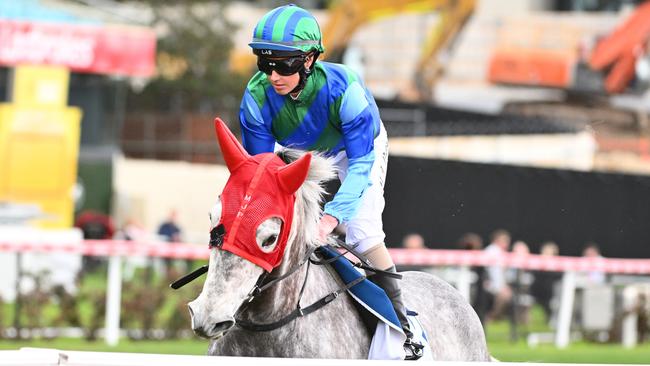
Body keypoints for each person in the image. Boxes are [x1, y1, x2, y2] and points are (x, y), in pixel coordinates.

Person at [239, 4, 421, 359]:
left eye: (284, 63)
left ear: (309, 61)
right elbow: (262, 172)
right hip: (295, 151)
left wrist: (332, 217)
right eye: (265, 63)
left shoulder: (346, 89)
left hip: (354, 151)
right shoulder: (255, 99)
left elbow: (360, 164)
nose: (273, 75)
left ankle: (404, 326)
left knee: (362, 231)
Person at [483, 229, 513, 322]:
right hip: (489, 284)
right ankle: (491, 316)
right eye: (505, 241)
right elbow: (494, 274)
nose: (507, 244)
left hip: (495, 283)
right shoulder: (492, 251)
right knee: (506, 295)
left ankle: (494, 316)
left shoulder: (499, 252)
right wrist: (501, 287)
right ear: (497, 240)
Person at [530, 241, 561, 324]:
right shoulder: (536, 263)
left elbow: (559, 277)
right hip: (537, 291)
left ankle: (551, 318)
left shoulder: (558, 265)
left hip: (551, 293)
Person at [157, 209, 184, 273]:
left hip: (175, 249)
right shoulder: (164, 226)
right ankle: (168, 272)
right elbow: (161, 236)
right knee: (167, 260)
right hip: (165, 249)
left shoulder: (176, 227)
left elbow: (180, 236)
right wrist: (171, 238)